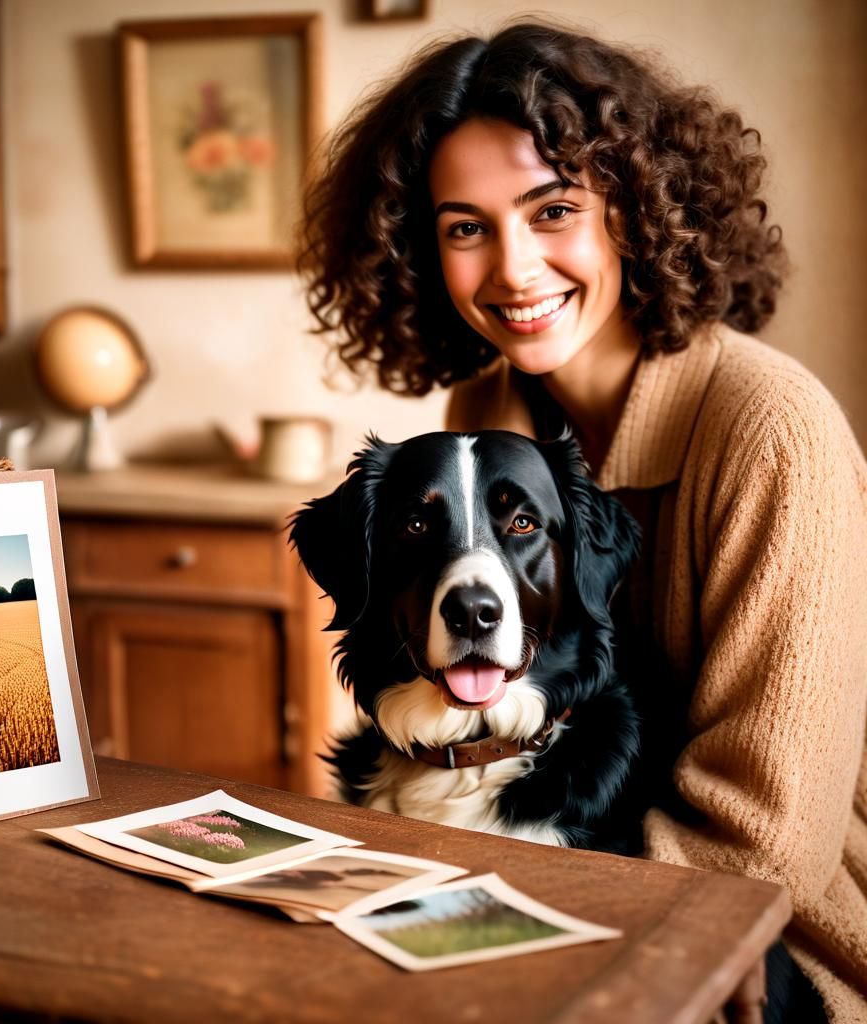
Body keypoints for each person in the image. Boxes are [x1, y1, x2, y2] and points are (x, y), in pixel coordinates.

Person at [297, 19, 867, 1024]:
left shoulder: (771, 429)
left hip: (766, 941)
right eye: (465, 226)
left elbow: (762, 839)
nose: (513, 269)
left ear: (635, 212)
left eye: (552, 210)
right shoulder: (485, 413)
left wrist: (495, 919)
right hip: (532, 882)